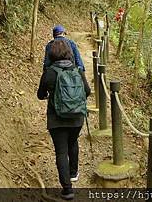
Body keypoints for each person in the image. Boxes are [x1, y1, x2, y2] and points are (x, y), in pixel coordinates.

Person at [37, 39, 91, 199]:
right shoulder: (77, 70)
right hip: (77, 118)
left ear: (51, 54)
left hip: (56, 119)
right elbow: (87, 91)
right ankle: (73, 173)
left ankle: (67, 190)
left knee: (61, 151)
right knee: (73, 142)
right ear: (69, 53)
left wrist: (49, 94)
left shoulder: (49, 72)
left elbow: (40, 95)